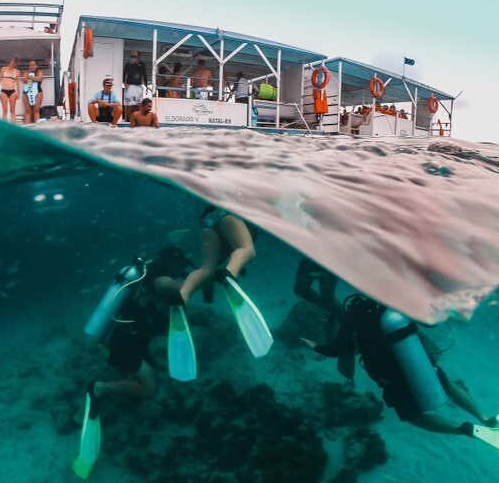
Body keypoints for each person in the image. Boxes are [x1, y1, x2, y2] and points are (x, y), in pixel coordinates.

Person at [301, 294, 499, 459]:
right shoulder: (392, 299)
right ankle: (485, 417)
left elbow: (339, 349)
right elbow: (430, 322)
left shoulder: (352, 311)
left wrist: (315, 346)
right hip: (417, 357)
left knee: (414, 416)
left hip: (387, 372)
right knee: (446, 384)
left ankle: (464, 430)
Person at [73, 246, 196, 479]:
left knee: (128, 373)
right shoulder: (159, 280)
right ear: (173, 262)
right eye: (181, 266)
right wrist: (201, 276)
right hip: (124, 341)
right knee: (149, 389)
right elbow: (175, 288)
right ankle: (99, 388)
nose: (182, 271)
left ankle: (82, 413)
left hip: (127, 338)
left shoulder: (149, 276)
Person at [153, 205, 273, 359]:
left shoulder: (214, 232)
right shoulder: (243, 219)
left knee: (206, 269)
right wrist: (230, 270)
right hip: (229, 219)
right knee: (247, 250)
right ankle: (230, 273)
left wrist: (208, 297)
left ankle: (183, 294)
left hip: (209, 228)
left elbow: (209, 276)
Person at [294, 258, 340, 342]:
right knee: (300, 290)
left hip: (329, 266)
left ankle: (338, 320)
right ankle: (333, 313)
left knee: (328, 301)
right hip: (311, 263)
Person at [123, 49, 147, 119]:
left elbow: (144, 75)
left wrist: (146, 86)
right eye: (132, 56)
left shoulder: (142, 64)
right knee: (129, 104)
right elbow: (124, 73)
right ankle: (127, 119)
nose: (132, 58)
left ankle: (139, 119)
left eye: (134, 56)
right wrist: (124, 82)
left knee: (139, 104)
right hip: (130, 86)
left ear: (139, 56)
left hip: (138, 86)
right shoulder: (128, 64)